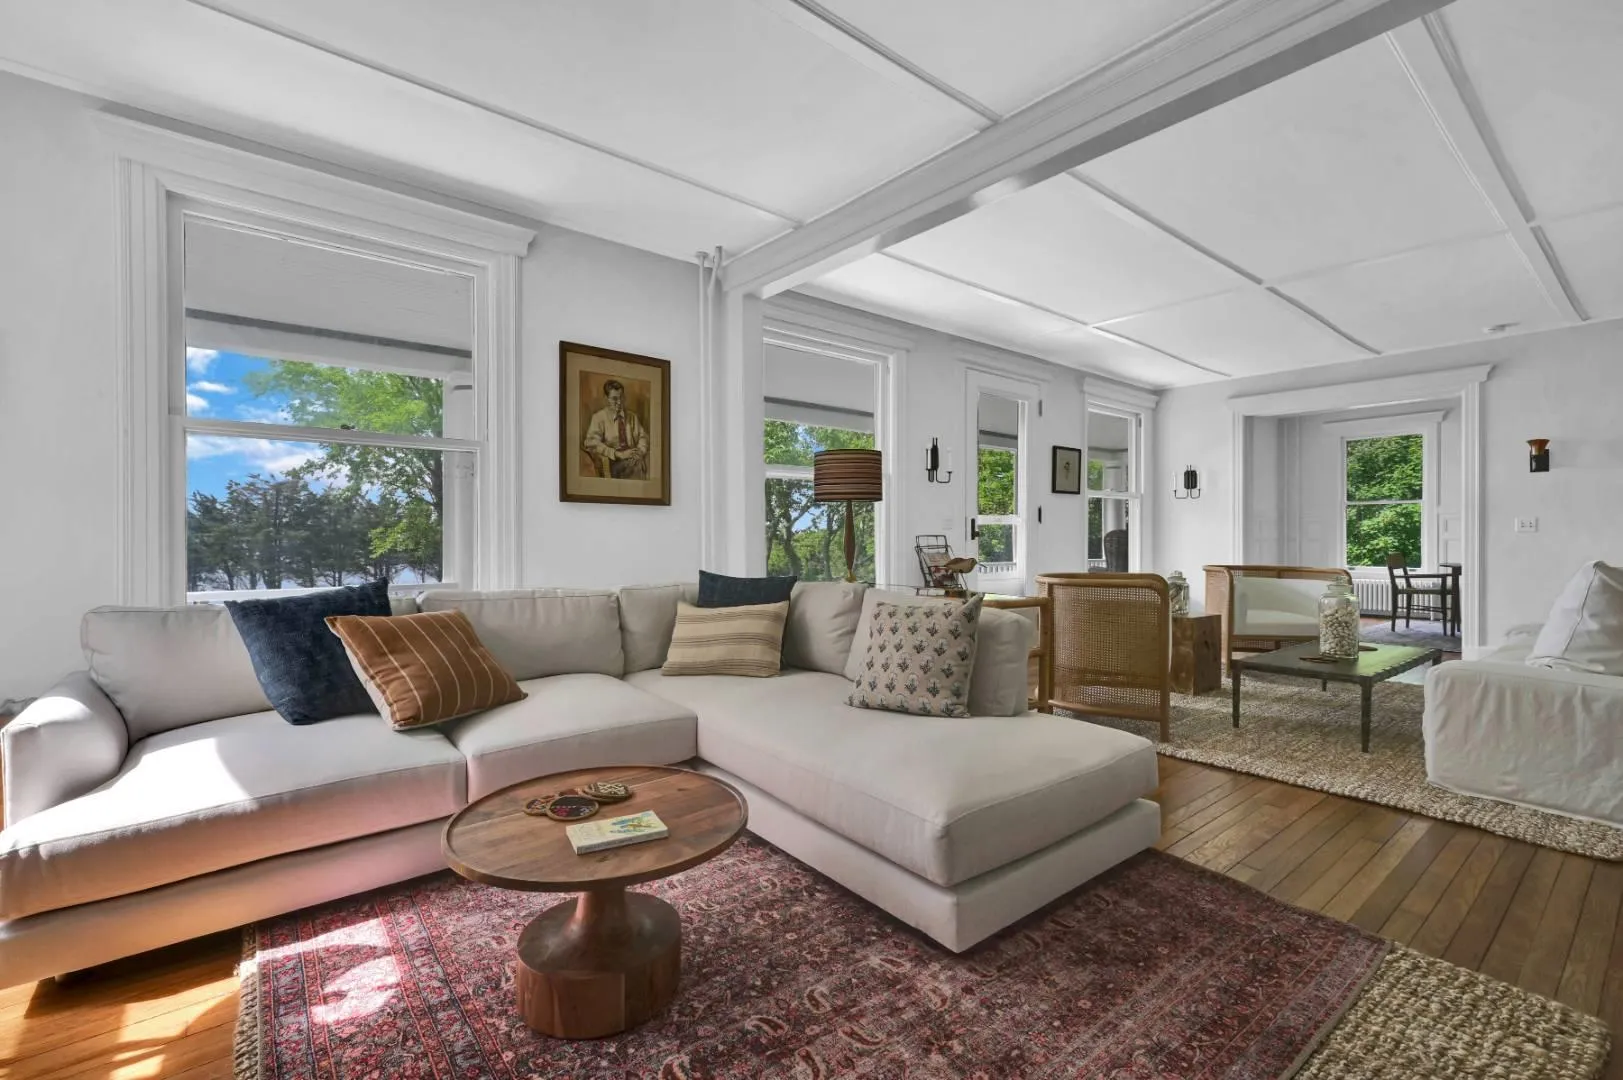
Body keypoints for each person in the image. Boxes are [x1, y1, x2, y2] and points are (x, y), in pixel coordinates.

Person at [582, 379, 649, 480]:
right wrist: (617, 454)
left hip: (633, 458)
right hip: (613, 462)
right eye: (614, 398)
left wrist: (639, 452)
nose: (619, 402)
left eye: (621, 397)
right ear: (606, 399)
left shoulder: (632, 417)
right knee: (638, 467)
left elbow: (643, 437)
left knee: (645, 463)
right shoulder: (598, 418)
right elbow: (590, 442)